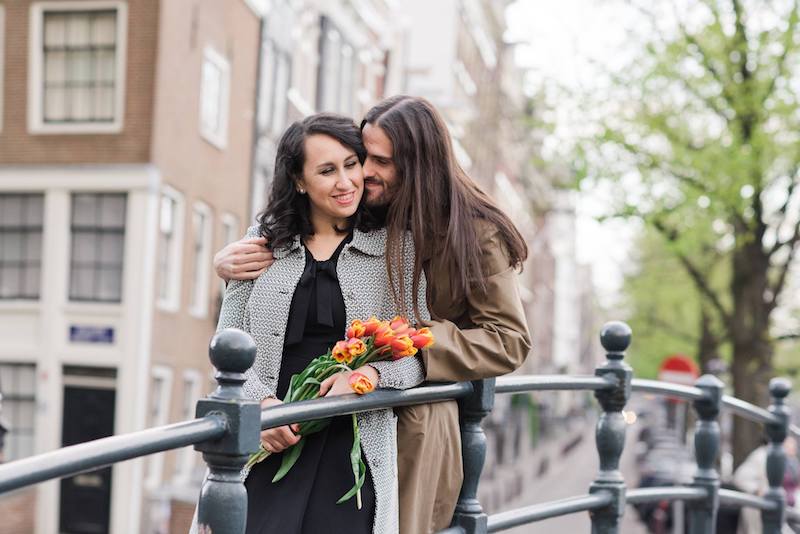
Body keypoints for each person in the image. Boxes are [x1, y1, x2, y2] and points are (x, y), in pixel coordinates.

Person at [214, 95, 531, 533]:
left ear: (416, 165)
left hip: (403, 417)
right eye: (363, 157)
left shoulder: (469, 234)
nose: (361, 174)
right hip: (290, 421)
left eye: (372, 162)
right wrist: (228, 267)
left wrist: (395, 355)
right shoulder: (364, 209)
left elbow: (508, 339)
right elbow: (236, 332)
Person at [197, 113, 429, 534]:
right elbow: (225, 346)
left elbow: (417, 360)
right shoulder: (263, 241)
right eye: (327, 170)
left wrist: (368, 377)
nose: (346, 181)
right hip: (269, 442)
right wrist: (260, 408)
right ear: (299, 180)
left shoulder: (399, 248)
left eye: (351, 164)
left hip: (353, 455)